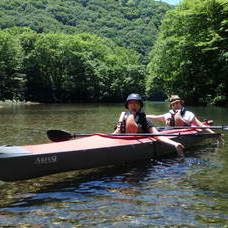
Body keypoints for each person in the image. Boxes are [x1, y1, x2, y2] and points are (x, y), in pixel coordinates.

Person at [113, 93, 184, 151]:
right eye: (131, 103)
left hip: (139, 142)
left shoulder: (144, 120)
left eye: (136, 103)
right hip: (125, 141)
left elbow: (157, 135)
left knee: (165, 129)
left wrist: (174, 143)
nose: (133, 105)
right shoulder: (123, 117)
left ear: (140, 106)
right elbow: (116, 133)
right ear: (127, 106)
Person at [146, 95, 215, 134]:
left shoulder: (189, 115)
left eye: (178, 103)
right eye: (174, 104)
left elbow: (201, 125)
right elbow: (154, 116)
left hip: (184, 134)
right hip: (167, 134)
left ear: (181, 104)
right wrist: (143, 115)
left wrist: (213, 134)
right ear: (171, 106)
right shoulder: (167, 115)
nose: (176, 105)